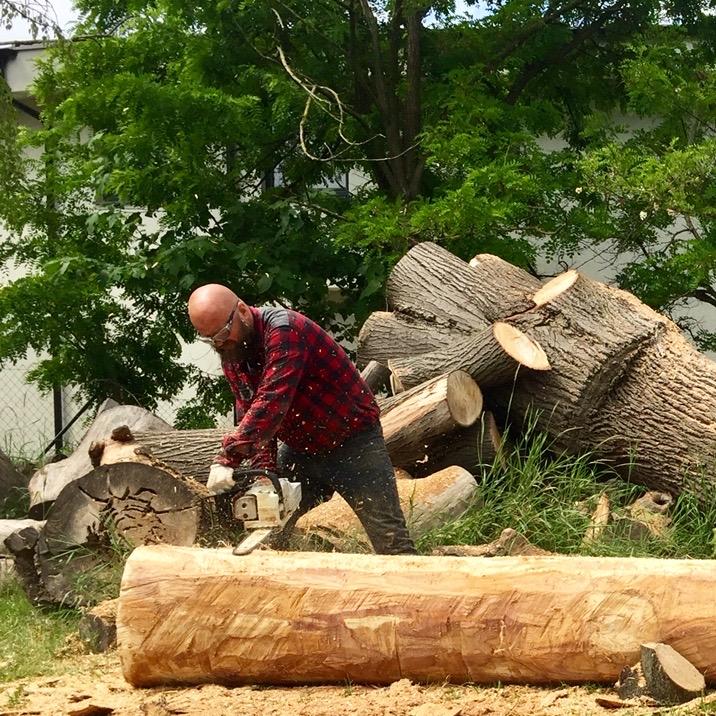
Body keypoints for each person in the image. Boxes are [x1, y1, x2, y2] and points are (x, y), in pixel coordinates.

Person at [187, 283, 417, 555]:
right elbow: (252, 412)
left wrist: (228, 458)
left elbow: (272, 400)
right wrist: (265, 475)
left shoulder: (284, 330)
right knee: (271, 532)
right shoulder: (233, 353)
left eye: (223, 333)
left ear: (242, 311)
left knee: (391, 541)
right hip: (301, 450)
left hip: (353, 443)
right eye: (210, 339)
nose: (219, 344)